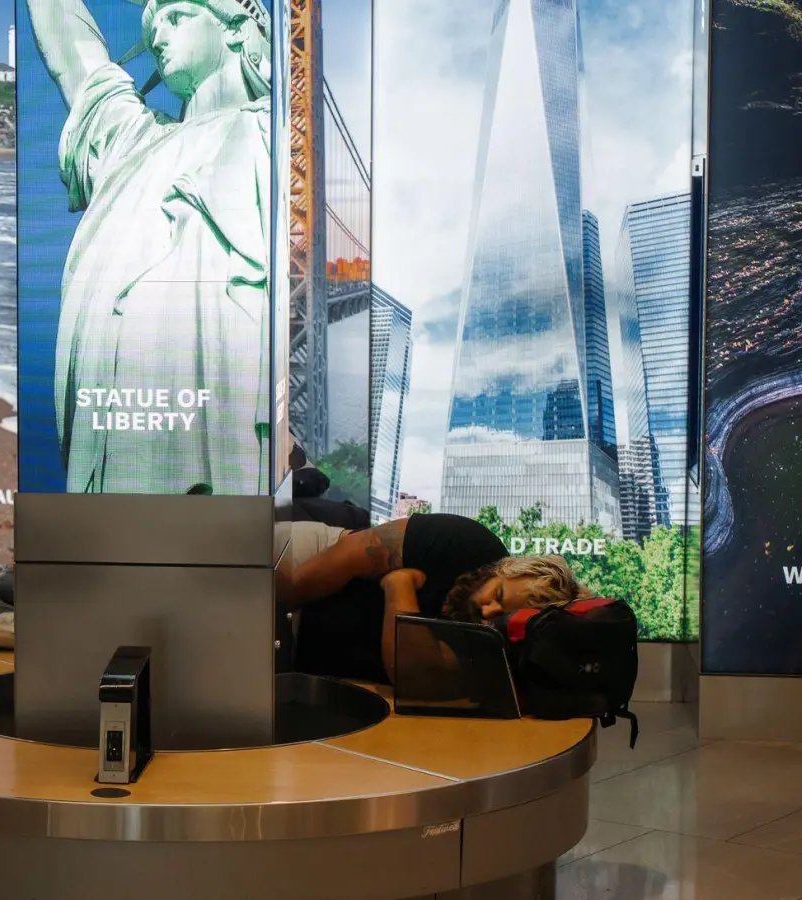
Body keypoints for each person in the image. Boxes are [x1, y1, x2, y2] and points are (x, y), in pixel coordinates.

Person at [29, 0, 279, 494]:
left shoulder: (278, 136)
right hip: (123, 429)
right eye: (153, 26)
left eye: (177, 16)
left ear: (236, 29)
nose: (159, 36)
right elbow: (71, 48)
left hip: (224, 404)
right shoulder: (133, 141)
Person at [283, 513, 586, 684]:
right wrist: (268, 610)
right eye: (498, 594)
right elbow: (348, 555)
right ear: (504, 570)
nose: (489, 610)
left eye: (502, 615)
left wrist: (398, 585)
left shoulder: (492, 647)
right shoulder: (466, 542)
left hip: (310, 661)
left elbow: (411, 672)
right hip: (310, 567)